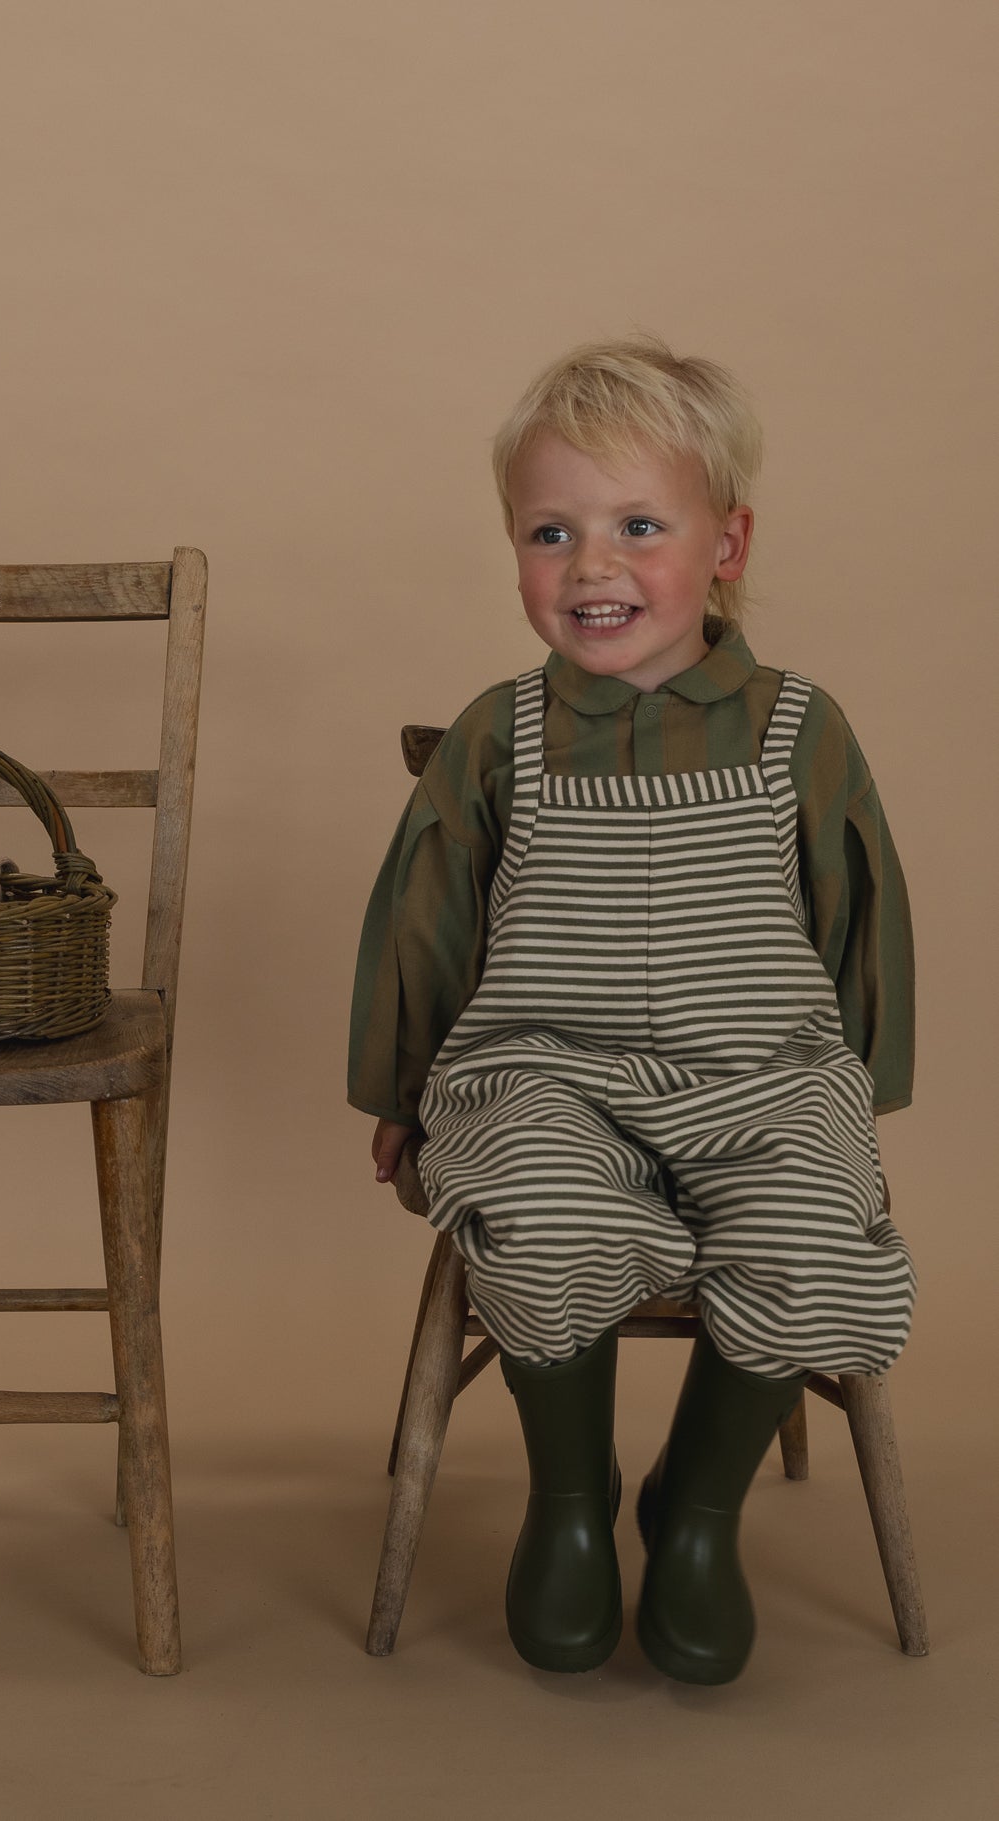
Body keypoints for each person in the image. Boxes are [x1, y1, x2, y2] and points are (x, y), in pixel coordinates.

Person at [348, 337, 916, 1684]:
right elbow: (423, 914)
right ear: (513, 549)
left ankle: (695, 1511)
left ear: (726, 541)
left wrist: (855, 1096)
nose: (590, 566)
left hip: (759, 1077)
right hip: (538, 1073)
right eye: (551, 532)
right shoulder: (502, 734)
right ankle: (566, 1494)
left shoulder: (796, 726)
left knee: (807, 1236)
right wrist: (395, 1089)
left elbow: (856, 907)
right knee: (541, 1223)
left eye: (636, 527)